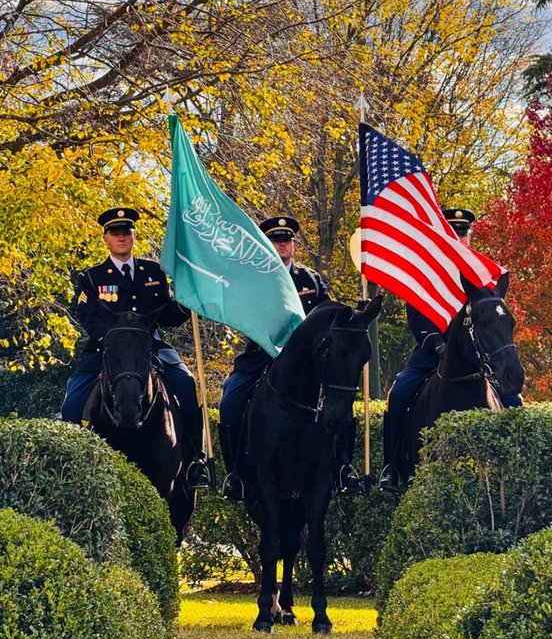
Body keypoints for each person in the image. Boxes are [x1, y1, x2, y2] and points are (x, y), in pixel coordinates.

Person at [61, 206, 210, 488]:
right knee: (71, 405)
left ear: (134, 236)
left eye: (126, 232)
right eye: (115, 233)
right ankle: (71, 470)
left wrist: (187, 302)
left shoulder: (152, 272)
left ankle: (195, 461)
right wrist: (115, 342)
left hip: (151, 347)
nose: (121, 237)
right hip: (106, 350)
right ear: (105, 238)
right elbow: (90, 318)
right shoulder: (92, 278)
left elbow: (166, 316)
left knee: (186, 385)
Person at [379, 206, 522, 493]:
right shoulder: (427, 272)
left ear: (470, 237)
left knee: (513, 399)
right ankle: (392, 468)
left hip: (477, 354)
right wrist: (437, 343)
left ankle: (520, 467)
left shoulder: (482, 276)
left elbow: (494, 318)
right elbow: (417, 317)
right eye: (453, 233)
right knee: (400, 393)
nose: (459, 239)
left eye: (463, 233)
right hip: (433, 351)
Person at [218, 215, 361, 500]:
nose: (283, 245)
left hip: (308, 366)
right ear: (266, 245)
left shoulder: (310, 279)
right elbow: (244, 318)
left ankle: (344, 467)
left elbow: (329, 318)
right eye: (276, 240)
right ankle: (235, 475)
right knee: (230, 403)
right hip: (262, 357)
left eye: (287, 240)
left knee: (344, 405)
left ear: (293, 245)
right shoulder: (252, 280)